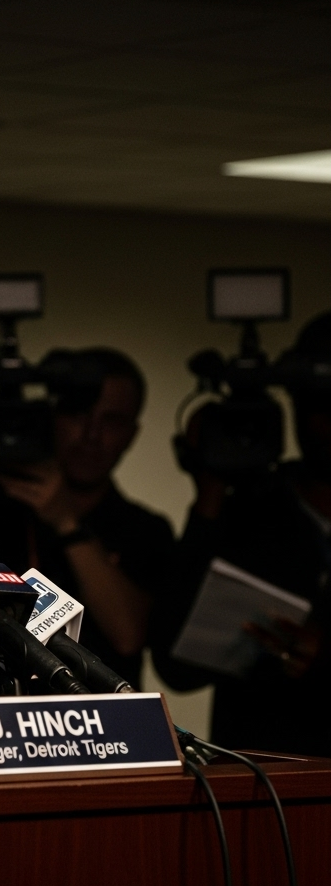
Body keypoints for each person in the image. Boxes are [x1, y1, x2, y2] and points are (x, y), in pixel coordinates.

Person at [151, 311, 331, 755]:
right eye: (315, 407)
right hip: (261, 778)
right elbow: (176, 665)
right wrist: (209, 494)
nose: (325, 425)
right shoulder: (253, 509)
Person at [0, 349, 173, 687]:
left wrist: (68, 524)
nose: (92, 435)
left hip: (102, 724)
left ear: (132, 434)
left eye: (111, 421)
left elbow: (128, 635)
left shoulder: (145, 528)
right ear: (50, 417)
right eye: (79, 415)